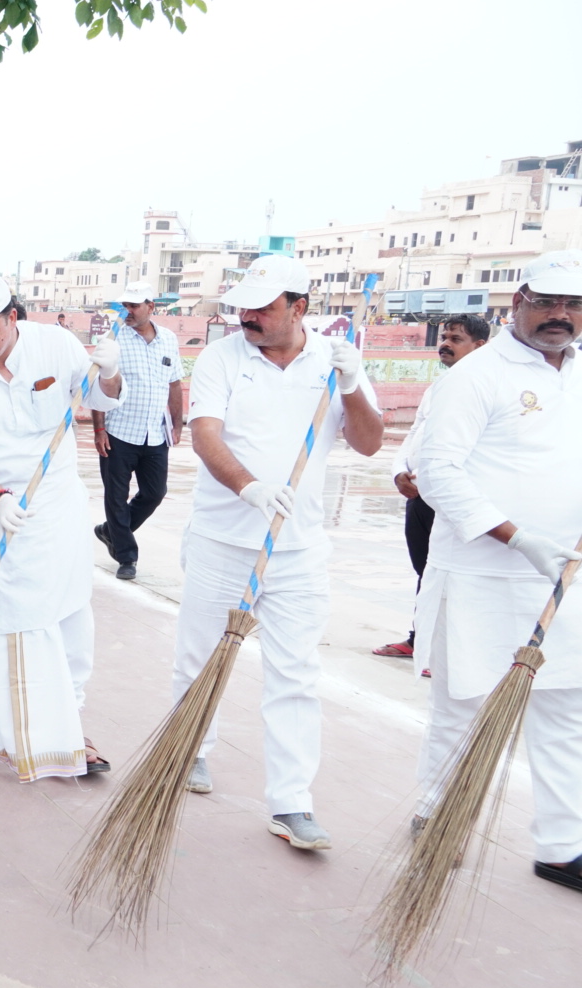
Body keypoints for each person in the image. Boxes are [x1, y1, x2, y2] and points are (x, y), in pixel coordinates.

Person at [173, 254, 382, 851]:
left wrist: (352, 386)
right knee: (200, 656)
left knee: (294, 673)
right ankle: (191, 749)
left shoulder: (334, 361)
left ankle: (292, 802)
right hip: (221, 537)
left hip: (299, 547)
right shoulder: (221, 357)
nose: (248, 316)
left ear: (299, 307)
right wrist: (249, 487)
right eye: (244, 305)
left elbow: (368, 444)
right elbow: (205, 432)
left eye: (264, 307)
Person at [411, 252, 582, 893]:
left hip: (561, 576)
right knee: (462, 702)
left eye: (573, 305)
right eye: (547, 302)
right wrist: (515, 535)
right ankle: (437, 814)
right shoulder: (477, 375)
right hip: (482, 570)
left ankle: (562, 846)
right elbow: (439, 474)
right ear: (519, 301)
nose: (560, 316)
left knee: (566, 707)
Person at [0, 273, 124, 777]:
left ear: (12, 317)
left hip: (54, 507)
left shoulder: (55, 345)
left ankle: (70, 727)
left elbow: (102, 399)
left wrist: (108, 374)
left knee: (70, 616)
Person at [372, 313, 489, 662]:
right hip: (419, 496)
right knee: (426, 570)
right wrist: (399, 472)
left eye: (456, 339)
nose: (446, 344)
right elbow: (415, 433)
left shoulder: (485, 388)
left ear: (480, 347)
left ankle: (446, 654)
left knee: (453, 575)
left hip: (451, 500)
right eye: (445, 337)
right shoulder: (439, 387)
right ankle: (419, 641)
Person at [90, 282, 185, 581]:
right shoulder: (112, 339)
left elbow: (174, 384)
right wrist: (99, 429)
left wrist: (178, 423)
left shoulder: (169, 339)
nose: (127, 311)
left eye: (133, 305)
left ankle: (111, 532)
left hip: (155, 433)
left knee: (155, 493)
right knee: (115, 497)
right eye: (124, 305)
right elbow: (97, 385)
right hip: (119, 431)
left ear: (151, 306)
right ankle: (126, 556)